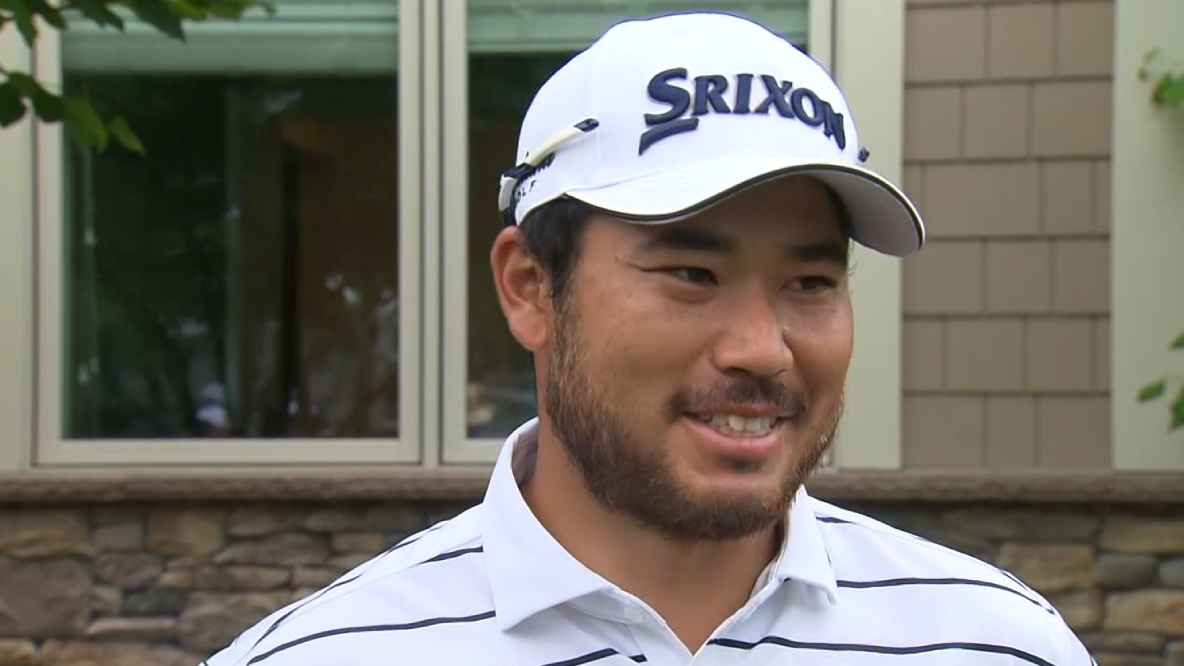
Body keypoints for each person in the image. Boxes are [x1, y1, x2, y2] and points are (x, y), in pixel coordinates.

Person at [203, 11, 1096, 666]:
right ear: (529, 288)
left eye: (811, 283)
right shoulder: (329, 652)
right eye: (691, 274)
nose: (763, 349)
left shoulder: (1000, 644)